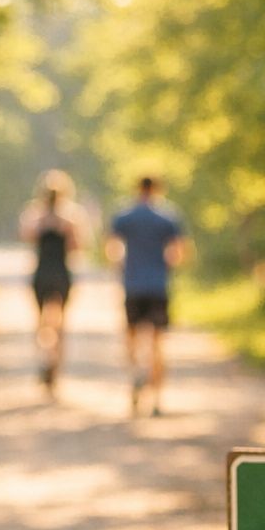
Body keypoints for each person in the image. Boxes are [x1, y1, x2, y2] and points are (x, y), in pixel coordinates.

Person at [106, 176, 186, 416]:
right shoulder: (168, 217)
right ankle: (158, 400)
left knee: (131, 337)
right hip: (158, 286)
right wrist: (165, 267)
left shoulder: (124, 216)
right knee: (158, 343)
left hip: (133, 286)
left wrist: (122, 266)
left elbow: (112, 249)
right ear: (158, 190)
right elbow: (178, 253)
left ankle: (135, 375)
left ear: (138, 189)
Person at [18, 169, 87, 393]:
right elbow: (78, 246)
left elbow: (26, 236)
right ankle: (54, 363)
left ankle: (45, 357)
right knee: (60, 322)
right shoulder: (71, 216)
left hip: (43, 272)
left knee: (41, 321)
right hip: (60, 272)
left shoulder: (35, 214)